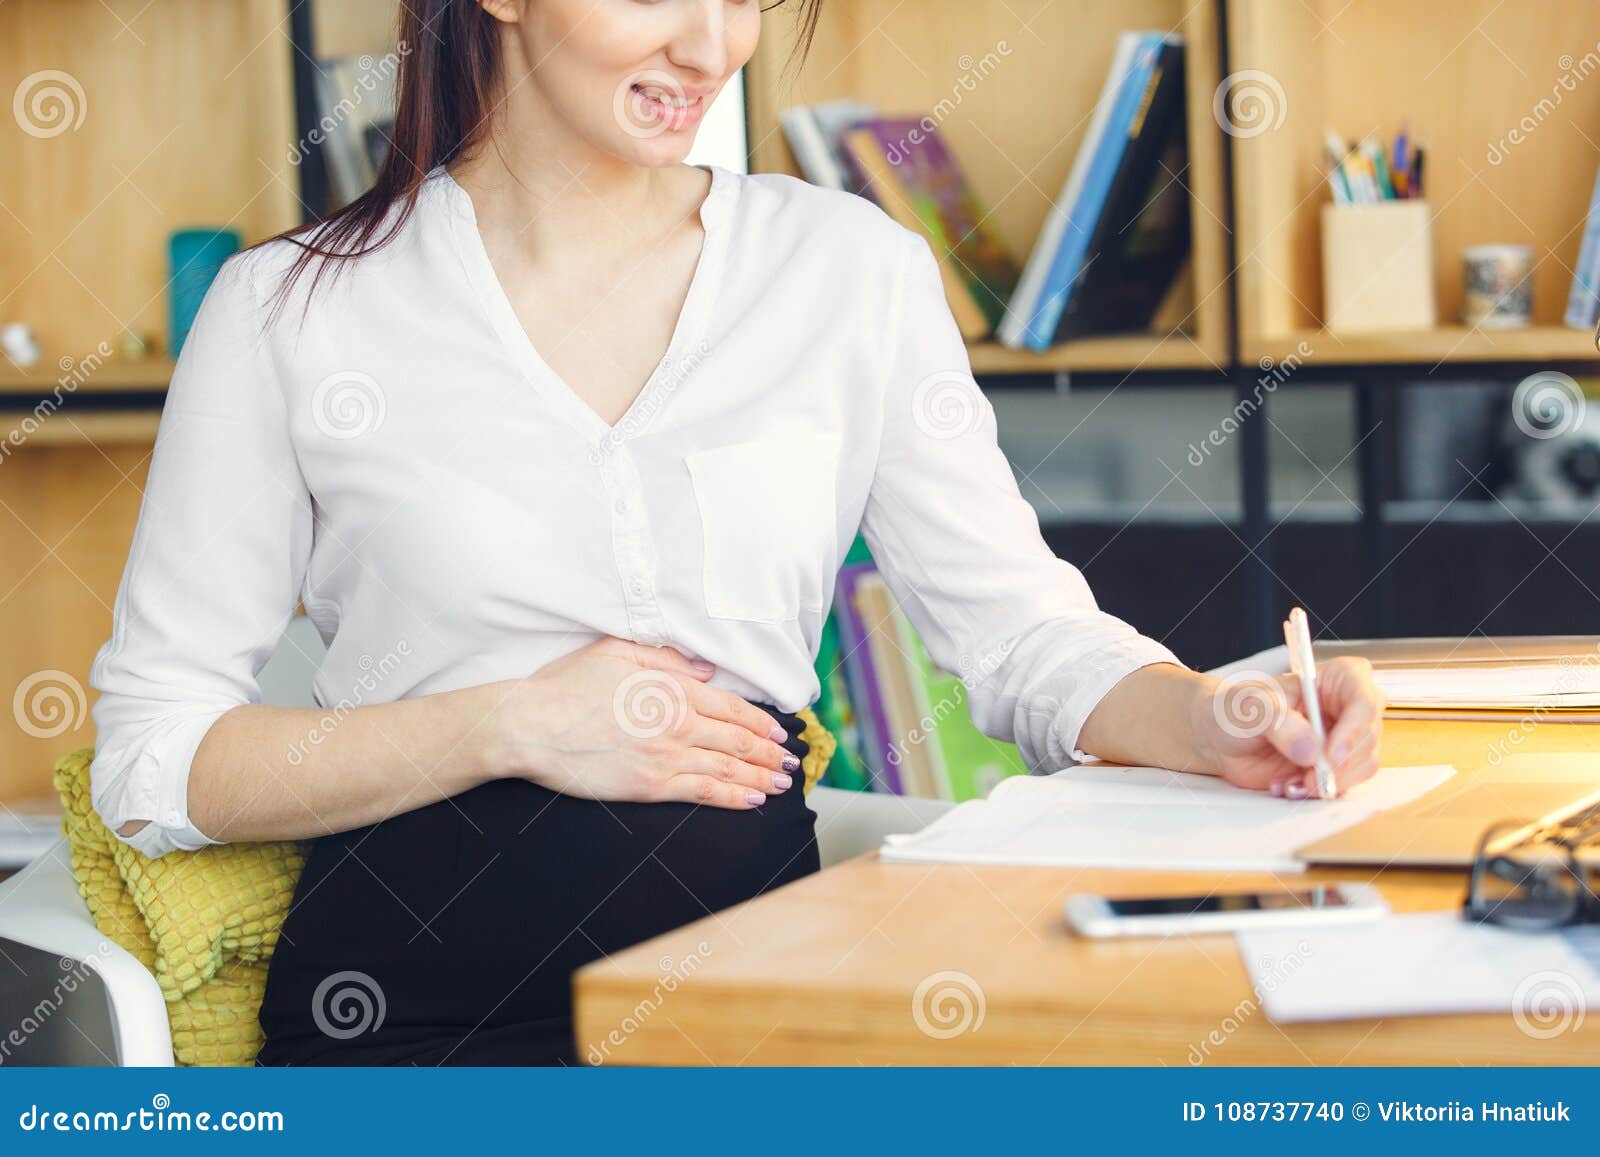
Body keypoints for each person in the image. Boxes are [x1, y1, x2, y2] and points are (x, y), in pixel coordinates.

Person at [88, 0, 1384, 1065]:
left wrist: (1212, 717)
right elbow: (154, 760)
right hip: (416, 1030)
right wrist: (509, 721)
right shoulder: (291, 311)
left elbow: (1021, 633)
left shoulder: (846, 273)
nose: (714, 45)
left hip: (762, 1018)